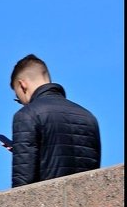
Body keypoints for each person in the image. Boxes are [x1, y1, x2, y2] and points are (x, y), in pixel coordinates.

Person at [8, 54, 101, 188]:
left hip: (45, 203)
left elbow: (22, 184)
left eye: (18, 98)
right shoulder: (88, 116)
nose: (22, 103)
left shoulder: (27, 115)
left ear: (22, 85)